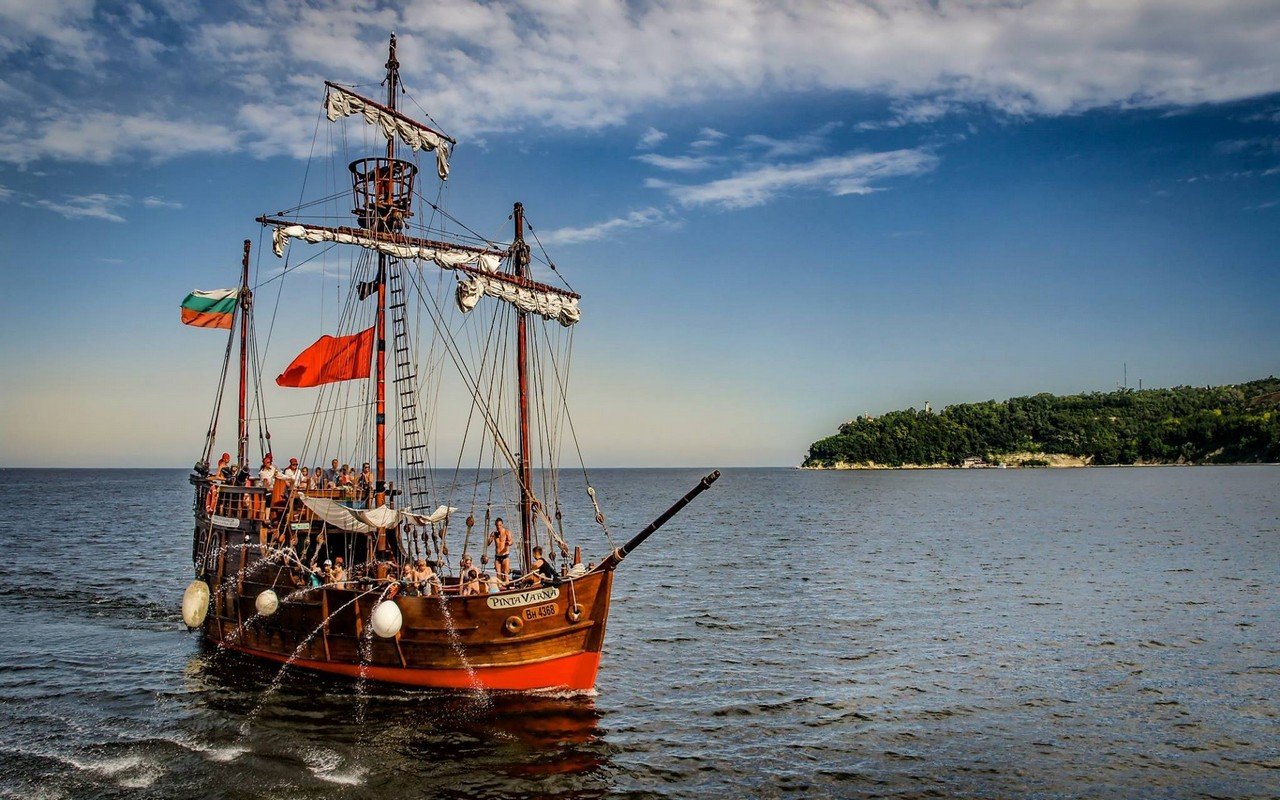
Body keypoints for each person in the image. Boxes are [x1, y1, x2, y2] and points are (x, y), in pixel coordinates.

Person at [488, 517, 513, 583]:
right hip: (497, 556)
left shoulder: (506, 532)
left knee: (506, 574)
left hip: (505, 555)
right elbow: (488, 544)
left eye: (500, 525)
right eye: (497, 525)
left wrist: (508, 543)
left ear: (502, 525)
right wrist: (491, 537)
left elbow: (511, 541)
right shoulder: (494, 533)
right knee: (498, 574)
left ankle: (507, 585)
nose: (498, 527)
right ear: (495, 525)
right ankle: (499, 587)